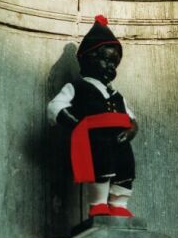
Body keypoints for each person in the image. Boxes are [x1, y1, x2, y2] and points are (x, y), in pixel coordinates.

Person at [47, 15, 138, 217]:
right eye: (106, 60)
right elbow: (56, 106)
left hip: (121, 141)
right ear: (87, 59)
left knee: (125, 170)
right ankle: (98, 204)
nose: (111, 67)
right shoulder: (77, 87)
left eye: (115, 63)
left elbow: (132, 117)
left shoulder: (117, 95)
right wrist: (76, 124)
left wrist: (132, 130)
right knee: (101, 170)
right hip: (97, 139)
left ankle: (118, 205)